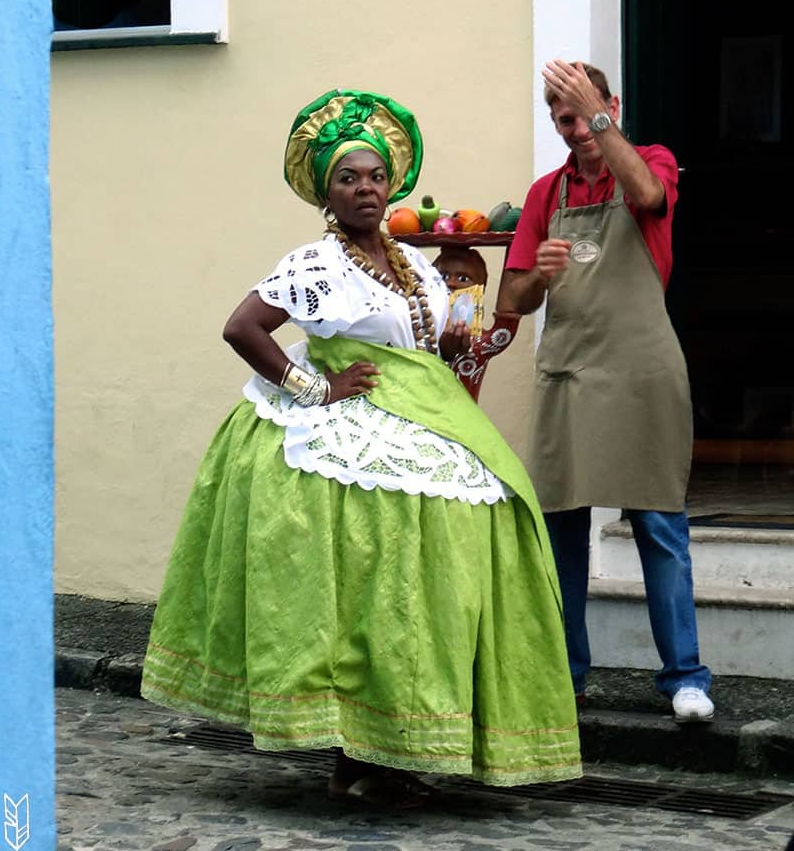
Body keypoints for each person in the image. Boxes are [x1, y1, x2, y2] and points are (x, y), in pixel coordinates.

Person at [141, 88, 582, 808]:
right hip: (350, 428)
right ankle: (358, 749)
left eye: (375, 176)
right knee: (366, 584)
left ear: (392, 184)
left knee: (451, 551)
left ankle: (402, 737)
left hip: (425, 410)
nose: (365, 188)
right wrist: (315, 388)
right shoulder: (316, 262)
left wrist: (473, 333)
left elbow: (438, 343)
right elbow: (242, 327)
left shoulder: (414, 261)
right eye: (348, 178)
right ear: (328, 192)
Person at [496, 60, 714, 724]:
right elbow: (511, 299)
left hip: (641, 369)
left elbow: (648, 196)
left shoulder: (650, 161)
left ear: (609, 104)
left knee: (657, 520)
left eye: (585, 112)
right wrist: (540, 276)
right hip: (568, 369)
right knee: (560, 524)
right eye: (562, 118)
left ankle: (684, 677)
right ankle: (566, 674)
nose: (575, 129)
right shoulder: (544, 195)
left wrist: (598, 117)